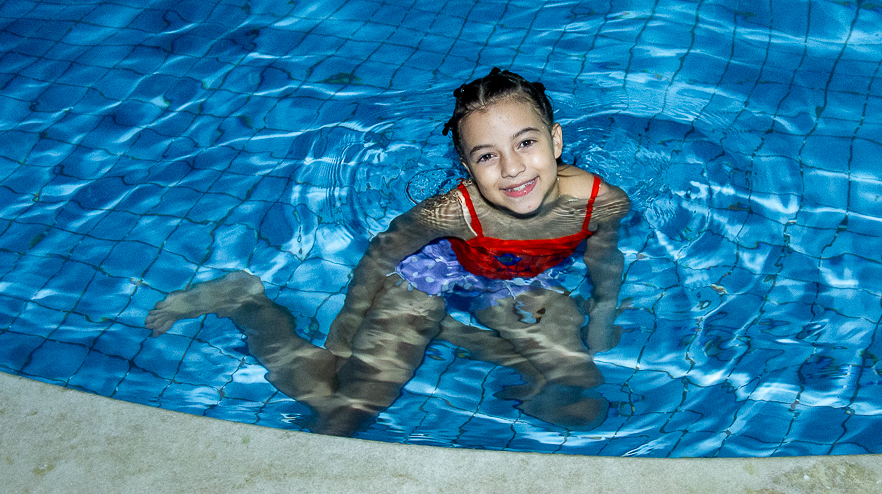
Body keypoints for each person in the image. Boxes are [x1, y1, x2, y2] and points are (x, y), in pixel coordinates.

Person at [145, 68, 631, 436]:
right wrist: (348, 324)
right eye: (487, 155)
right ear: (466, 166)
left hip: (523, 282)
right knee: (347, 413)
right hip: (433, 274)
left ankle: (466, 341)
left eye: (526, 143)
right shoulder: (450, 214)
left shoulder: (600, 203)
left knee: (580, 397)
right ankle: (247, 302)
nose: (512, 168)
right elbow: (383, 255)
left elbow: (603, 261)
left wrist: (602, 317)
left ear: (556, 139)